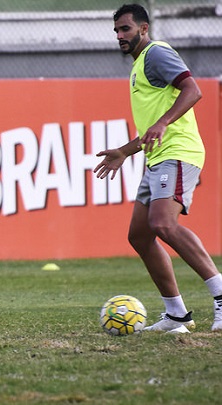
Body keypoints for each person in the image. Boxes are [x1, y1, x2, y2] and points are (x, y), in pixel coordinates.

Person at [94, 4, 222, 333]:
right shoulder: (138, 65)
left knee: (163, 223)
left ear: (144, 28)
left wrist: (164, 123)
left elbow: (193, 90)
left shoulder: (156, 53)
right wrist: (124, 152)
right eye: (116, 30)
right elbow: (151, 129)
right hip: (156, 157)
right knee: (139, 236)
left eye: (125, 28)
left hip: (178, 152)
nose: (120, 35)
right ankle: (176, 314)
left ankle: (221, 294)